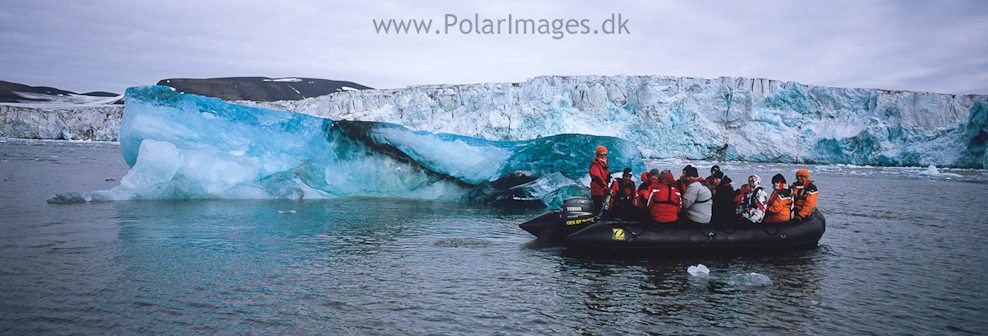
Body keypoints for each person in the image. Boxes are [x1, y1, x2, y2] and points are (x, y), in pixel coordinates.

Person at [588, 146, 611, 213]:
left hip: (604, 192)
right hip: (597, 193)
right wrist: (604, 187)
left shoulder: (604, 165)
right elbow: (597, 177)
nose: (603, 156)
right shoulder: (595, 165)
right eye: (601, 155)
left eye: (605, 154)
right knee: (598, 210)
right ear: (597, 155)